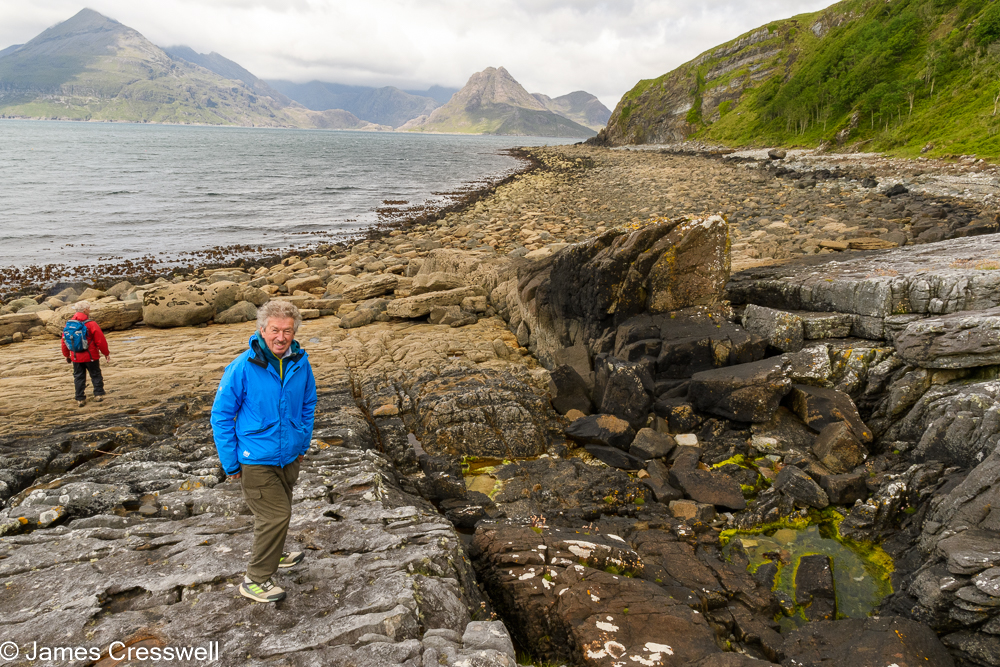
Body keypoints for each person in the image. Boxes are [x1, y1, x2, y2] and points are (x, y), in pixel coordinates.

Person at [211, 300, 317, 603]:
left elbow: (308, 403)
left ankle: (275, 554)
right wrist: (231, 464)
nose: (281, 337)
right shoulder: (243, 367)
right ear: (262, 330)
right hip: (255, 459)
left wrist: (301, 443)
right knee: (276, 515)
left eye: (287, 331)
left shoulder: (300, 362)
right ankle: (255, 579)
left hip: (289, 456)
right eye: (274, 330)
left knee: (276, 514)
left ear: (294, 332)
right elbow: (220, 416)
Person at [61, 301, 110, 407]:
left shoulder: (69, 324)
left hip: (75, 356)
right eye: (89, 308)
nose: (90, 310)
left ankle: (80, 398)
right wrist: (106, 353)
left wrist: (67, 355)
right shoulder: (91, 323)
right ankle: (98, 394)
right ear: (85, 310)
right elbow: (100, 340)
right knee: (95, 374)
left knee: (78, 377)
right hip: (91, 355)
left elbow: (64, 340)